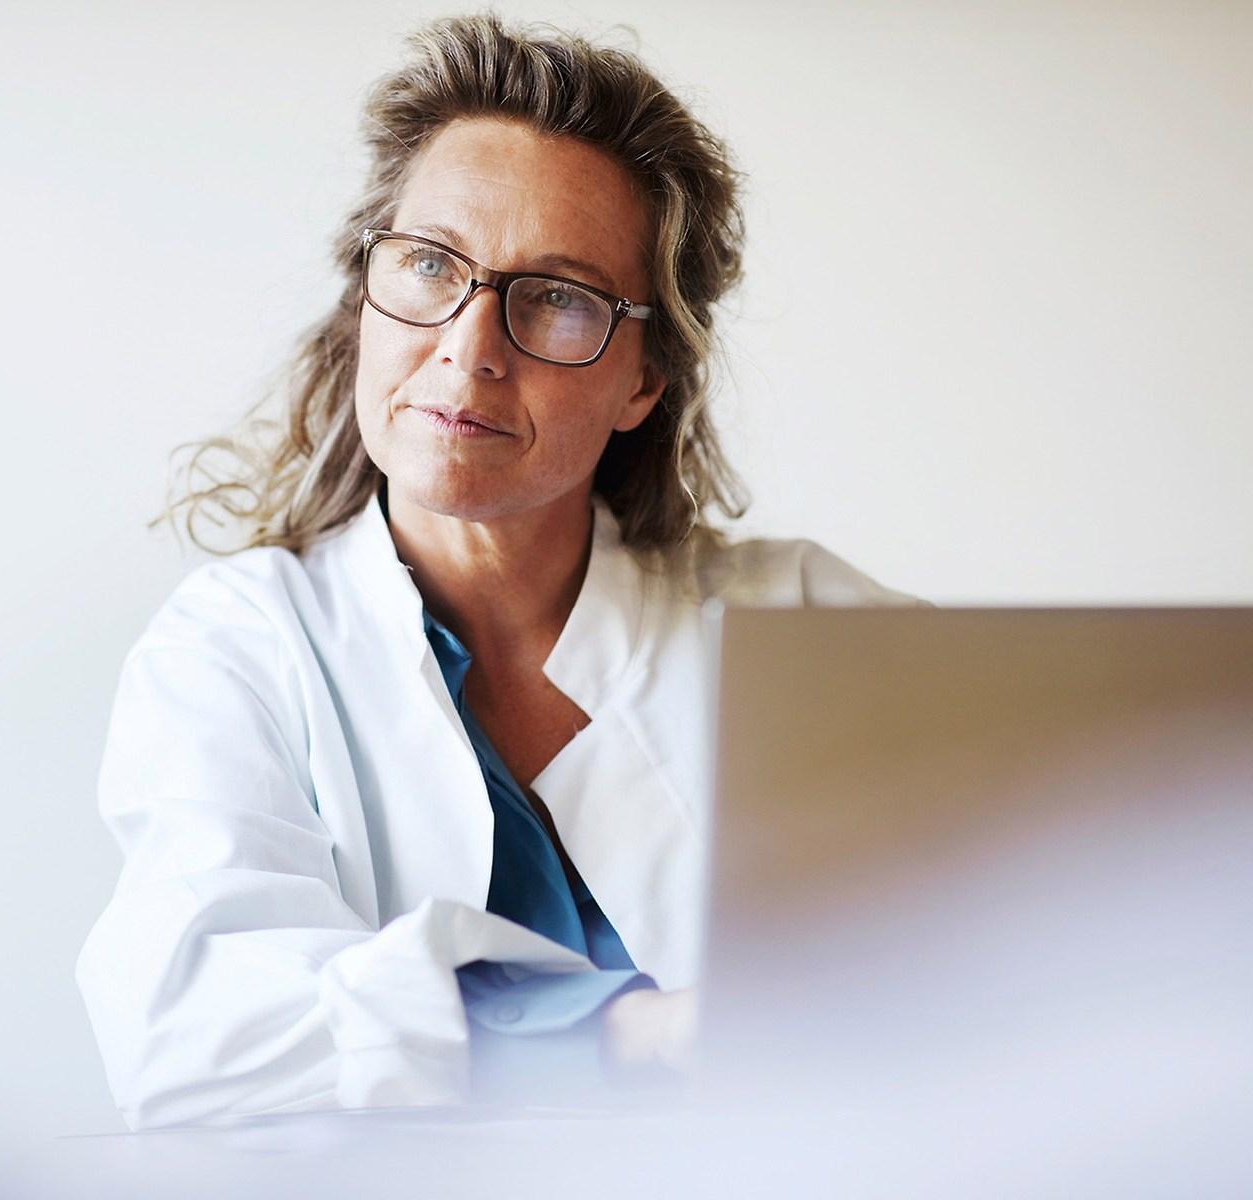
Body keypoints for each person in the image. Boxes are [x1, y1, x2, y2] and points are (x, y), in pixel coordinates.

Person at [76, 13, 920, 1130]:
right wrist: (630, 1034)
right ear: (362, 303)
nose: (470, 347)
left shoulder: (804, 624)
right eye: (431, 265)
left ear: (642, 382)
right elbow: (189, 1039)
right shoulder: (240, 647)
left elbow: (1062, 917)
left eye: (558, 297)